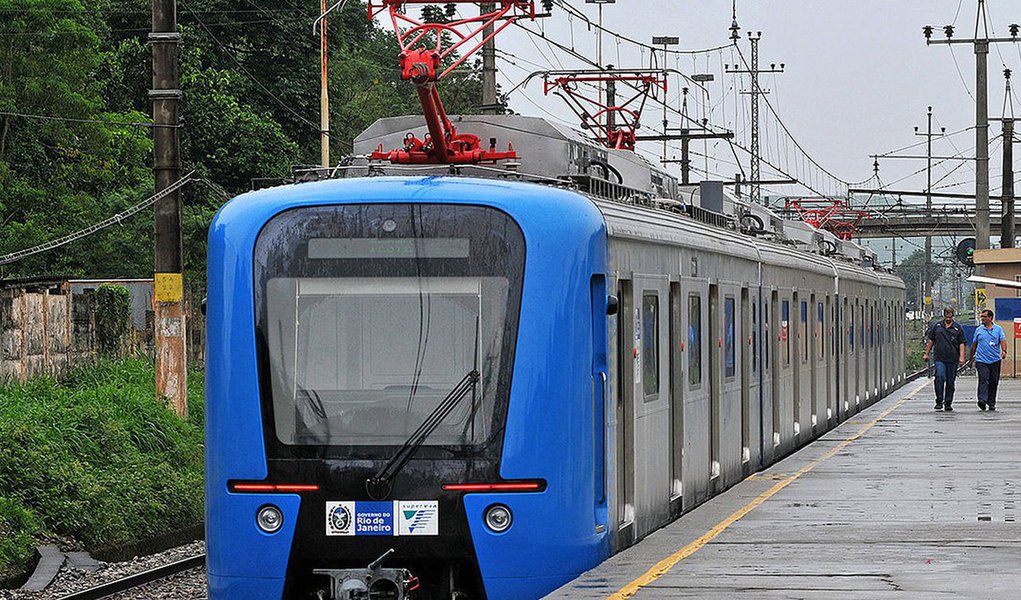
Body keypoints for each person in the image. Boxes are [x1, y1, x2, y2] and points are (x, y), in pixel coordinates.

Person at [923, 307, 966, 411]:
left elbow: (961, 343)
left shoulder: (957, 328)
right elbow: (931, 340)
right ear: (944, 315)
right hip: (939, 358)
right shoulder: (937, 326)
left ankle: (948, 402)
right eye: (947, 317)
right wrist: (926, 353)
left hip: (952, 358)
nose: (948, 319)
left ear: (953, 316)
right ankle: (939, 400)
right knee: (940, 376)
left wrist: (961, 357)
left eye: (950, 317)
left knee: (950, 381)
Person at [968, 309, 1007, 411]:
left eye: (984, 317)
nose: (982, 318)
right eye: (982, 317)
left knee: (993, 381)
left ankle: (991, 402)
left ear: (990, 318)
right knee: (983, 379)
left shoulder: (998, 329)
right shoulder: (979, 330)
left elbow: (1003, 341)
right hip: (981, 360)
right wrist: (971, 358)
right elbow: (974, 345)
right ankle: (982, 400)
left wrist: (1004, 351)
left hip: (995, 360)